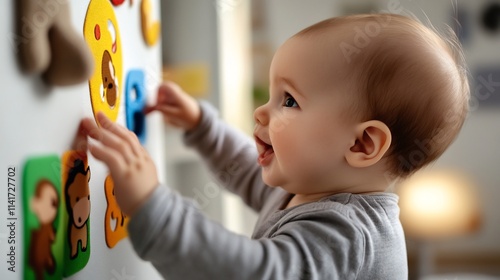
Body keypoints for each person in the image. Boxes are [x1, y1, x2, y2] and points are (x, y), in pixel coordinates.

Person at [81, 13, 469, 279]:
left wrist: (154, 207)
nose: (261, 112)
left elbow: (253, 272)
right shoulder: (314, 185)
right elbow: (249, 172)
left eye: (289, 101)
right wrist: (202, 127)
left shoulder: (351, 237)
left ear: (363, 143)